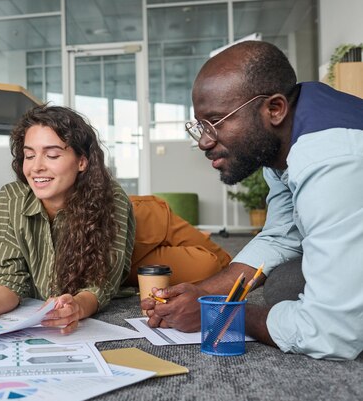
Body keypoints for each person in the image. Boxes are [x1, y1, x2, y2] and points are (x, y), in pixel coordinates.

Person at [142, 40, 363, 360]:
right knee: (287, 282)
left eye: (215, 121)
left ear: (274, 108)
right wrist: (203, 294)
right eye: (200, 125)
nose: (204, 141)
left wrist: (221, 315)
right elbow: (280, 236)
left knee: (288, 289)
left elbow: (331, 333)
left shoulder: (330, 159)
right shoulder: (287, 138)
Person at [0, 105, 136, 333]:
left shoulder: (112, 198)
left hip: (144, 231)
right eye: (29, 155)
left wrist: (77, 307)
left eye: (52, 155)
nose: (36, 167)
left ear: (82, 162)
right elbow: (8, 280)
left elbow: (100, 285)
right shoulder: (10, 199)